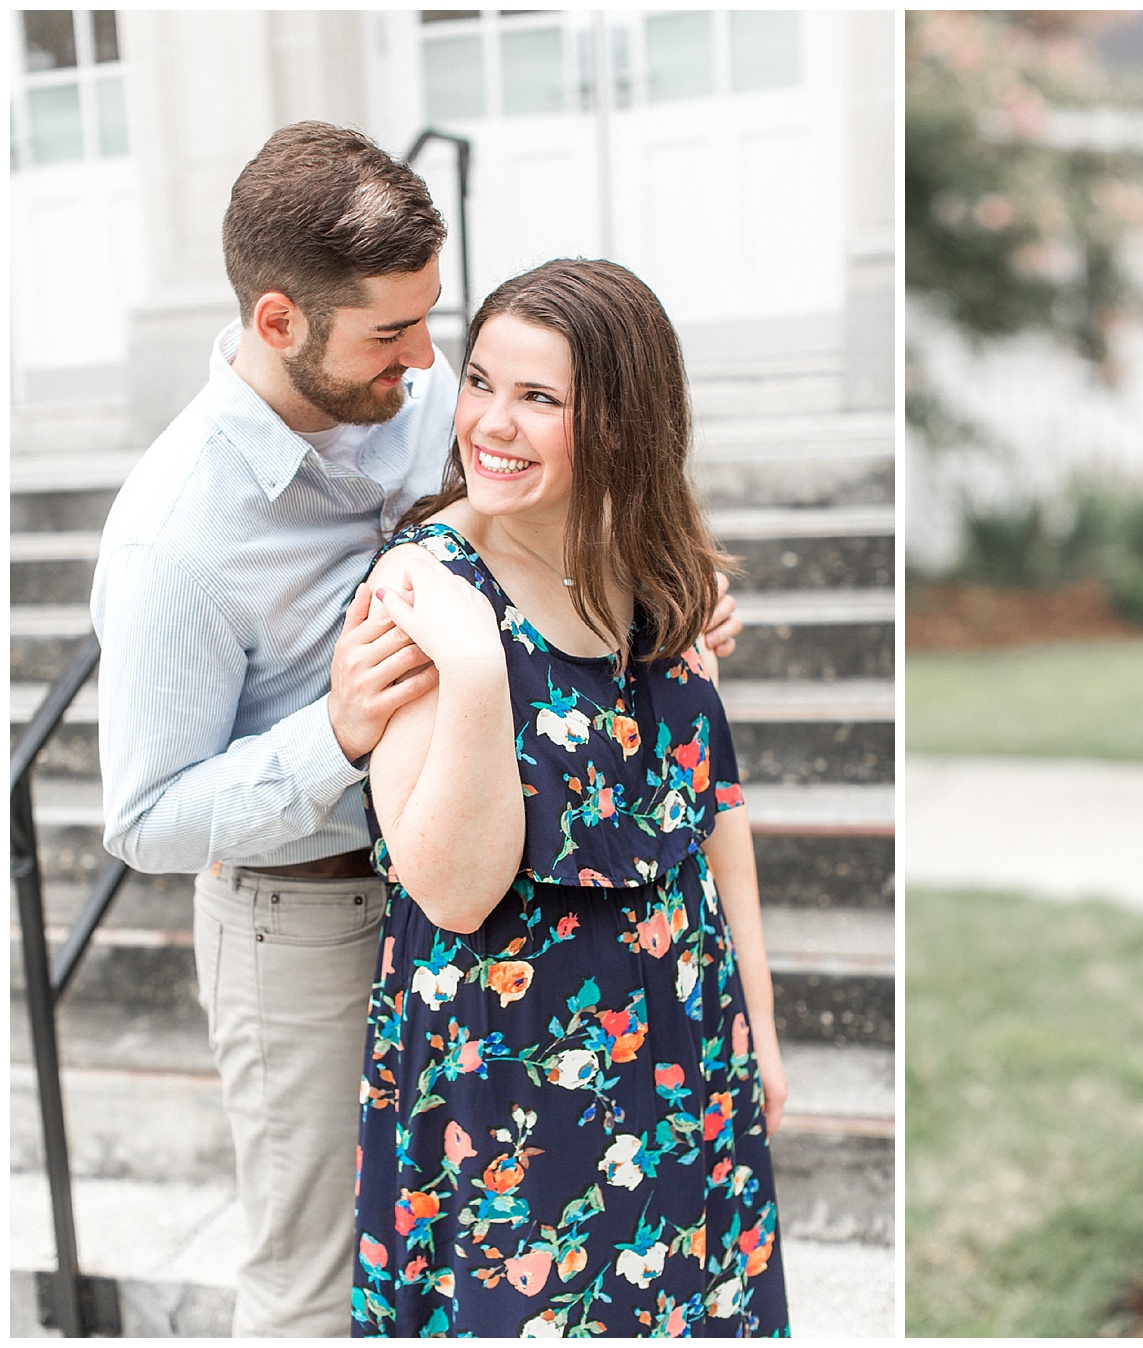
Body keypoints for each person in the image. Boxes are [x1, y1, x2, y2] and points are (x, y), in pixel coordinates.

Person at [89, 123, 739, 1337]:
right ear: (280, 322)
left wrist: (669, 583)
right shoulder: (172, 540)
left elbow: (553, 491)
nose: (430, 364)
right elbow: (142, 816)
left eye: (431, 321)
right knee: (321, 1280)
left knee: (459, 1269)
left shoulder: (428, 386)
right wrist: (331, 735)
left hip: (491, 907)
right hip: (307, 912)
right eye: (394, 333)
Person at [348, 259, 788, 1337]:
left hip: (688, 1043)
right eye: (483, 381)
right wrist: (481, 670)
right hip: (511, 1083)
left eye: (539, 398)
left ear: (624, 426)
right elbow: (449, 889)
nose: (491, 423)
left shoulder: (664, 578)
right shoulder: (423, 588)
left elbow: (712, 816)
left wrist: (762, 1030)